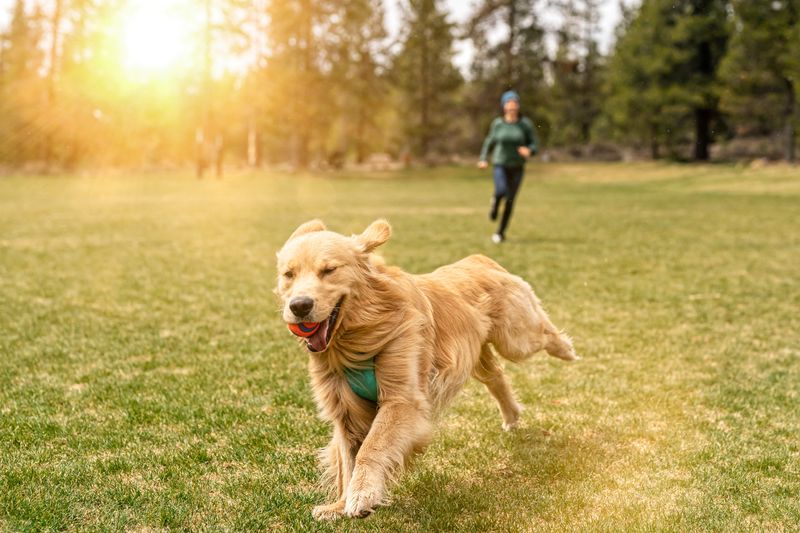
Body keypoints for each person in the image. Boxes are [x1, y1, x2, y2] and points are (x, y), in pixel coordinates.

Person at [478, 90, 538, 243]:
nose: (512, 107)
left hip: (517, 167)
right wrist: (483, 158)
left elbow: (534, 144)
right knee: (501, 190)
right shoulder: (498, 124)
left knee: (511, 200)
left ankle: (500, 233)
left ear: (518, 106)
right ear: (504, 106)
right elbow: (489, 142)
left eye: (515, 104)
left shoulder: (525, 125)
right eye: (509, 104)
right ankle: (495, 204)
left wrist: (529, 150)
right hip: (500, 164)